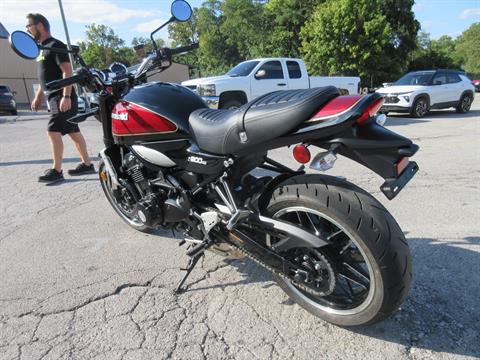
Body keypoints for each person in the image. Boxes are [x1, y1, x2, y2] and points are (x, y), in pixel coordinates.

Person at [26, 13, 94, 184]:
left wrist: (66, 96)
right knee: (73, 131)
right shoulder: (42, 48)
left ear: (40, 25)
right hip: (54, 96)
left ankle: (57, 171)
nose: (27, 29)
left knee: (52, 130)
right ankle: (87, 164)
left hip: (61, 96)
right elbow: (46, 77)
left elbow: (67, 71)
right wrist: (38, 97)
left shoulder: (56, 45)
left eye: (29, 25)